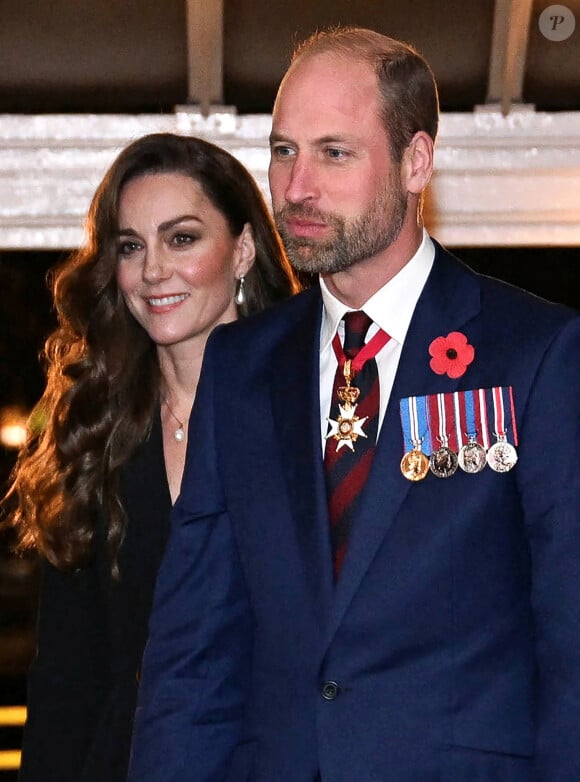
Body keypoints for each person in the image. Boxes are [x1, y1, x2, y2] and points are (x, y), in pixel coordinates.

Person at [128, 28, 580, 782]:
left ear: (416, 162)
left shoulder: (534, 353)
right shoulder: (241, 367)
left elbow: (571, 640)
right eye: (282, 151)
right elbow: (192, 650)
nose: (296, 187)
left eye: (334, 153)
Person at [2, 131, 299, 782]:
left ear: (243, 249)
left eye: (182, 238)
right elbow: (67, 680)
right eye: (130, 246)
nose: (153, 269)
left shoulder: (313, 423)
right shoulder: (95, 437)